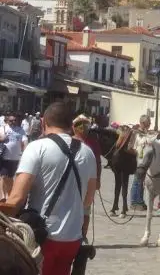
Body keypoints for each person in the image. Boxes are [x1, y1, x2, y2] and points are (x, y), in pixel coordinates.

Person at [5, 101, 97, 275]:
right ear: (71, 125)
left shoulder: (36, 147)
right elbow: (88, 200)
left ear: (43, 122)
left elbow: (16, 199)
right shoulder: (88, 152)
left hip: (41, 236)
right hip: (72, 237)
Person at [0, 113, 28, 198]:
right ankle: (2, 196)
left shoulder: (20, 130)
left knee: (10, 177)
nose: (13, 122)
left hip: (15, 158)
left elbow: (25, 141)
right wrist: (2, 139)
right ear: (7, 121)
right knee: (3, 176)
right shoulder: (2, 128)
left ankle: (9, 194)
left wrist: (25, 153)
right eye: (11, 120)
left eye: (15, 120)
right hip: (4, 156)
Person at [130, 114, 151, 211]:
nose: (149, 124)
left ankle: (140, 201)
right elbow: (131, 147)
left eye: (149, 123)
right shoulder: (136, 133)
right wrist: (139, 153)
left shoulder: (146, 133)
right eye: (148, 123)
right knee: (137, 181)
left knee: (141, 181)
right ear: (142, 123)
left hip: (145, 161)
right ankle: (135, 202)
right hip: (138, 160)